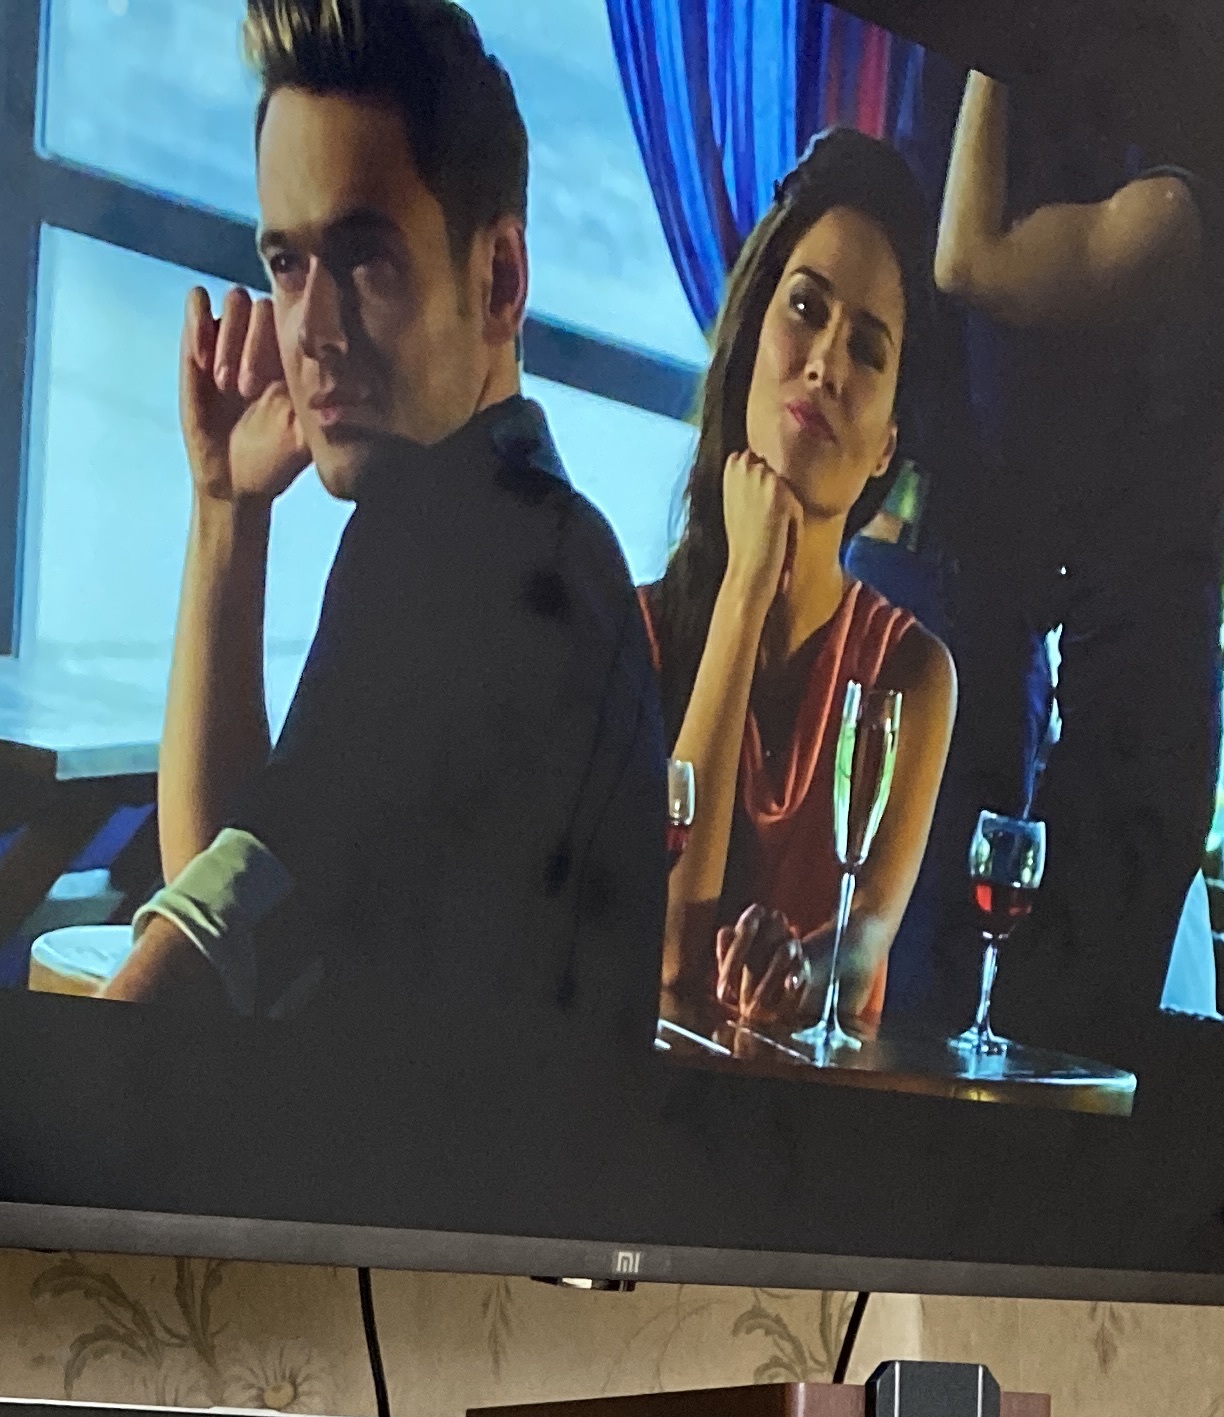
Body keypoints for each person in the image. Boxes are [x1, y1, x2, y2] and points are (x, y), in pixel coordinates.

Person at [104, 0, 665, 1071]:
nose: (311, 331)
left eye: (365, 261)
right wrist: (228, 510)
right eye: (287, 265)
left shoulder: (476, 555)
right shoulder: (517, 534)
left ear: (498, 281)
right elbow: (237, 880)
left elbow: (205, 946)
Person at [933, 68, 1224, 1059]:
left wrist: (993, 53)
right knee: (1034, 1043)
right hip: (1135, 688)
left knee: (1036, 1047)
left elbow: (970, 260)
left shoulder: (1184, 215)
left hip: (1136, 708)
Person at [642, 132, 956, 1047]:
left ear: (888, 445)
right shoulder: (633, 634)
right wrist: (746, 586)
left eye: (867, 348)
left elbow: (866, 942)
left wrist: (799, 971)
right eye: (806, 309)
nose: (825, 364)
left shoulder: (913, 676)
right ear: (752, 342)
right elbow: (669, 953)